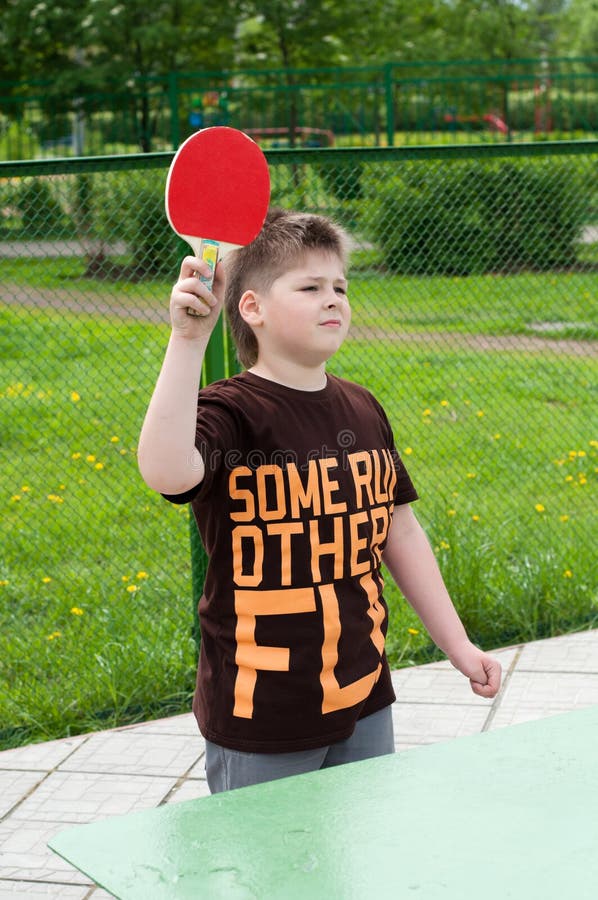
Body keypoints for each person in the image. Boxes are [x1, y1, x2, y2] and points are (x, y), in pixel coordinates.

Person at [138, 208, 501, 793]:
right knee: (269, 878)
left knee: (354, 867)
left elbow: (400, 531)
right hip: (262, 715)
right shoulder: (232, 412)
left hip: (364, 698)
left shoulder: (363, 407)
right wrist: (187, 340)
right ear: (251, 307)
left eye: (340, 287)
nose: (333, 299)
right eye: (309, 287)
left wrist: (457, 645)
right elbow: (166, 472)